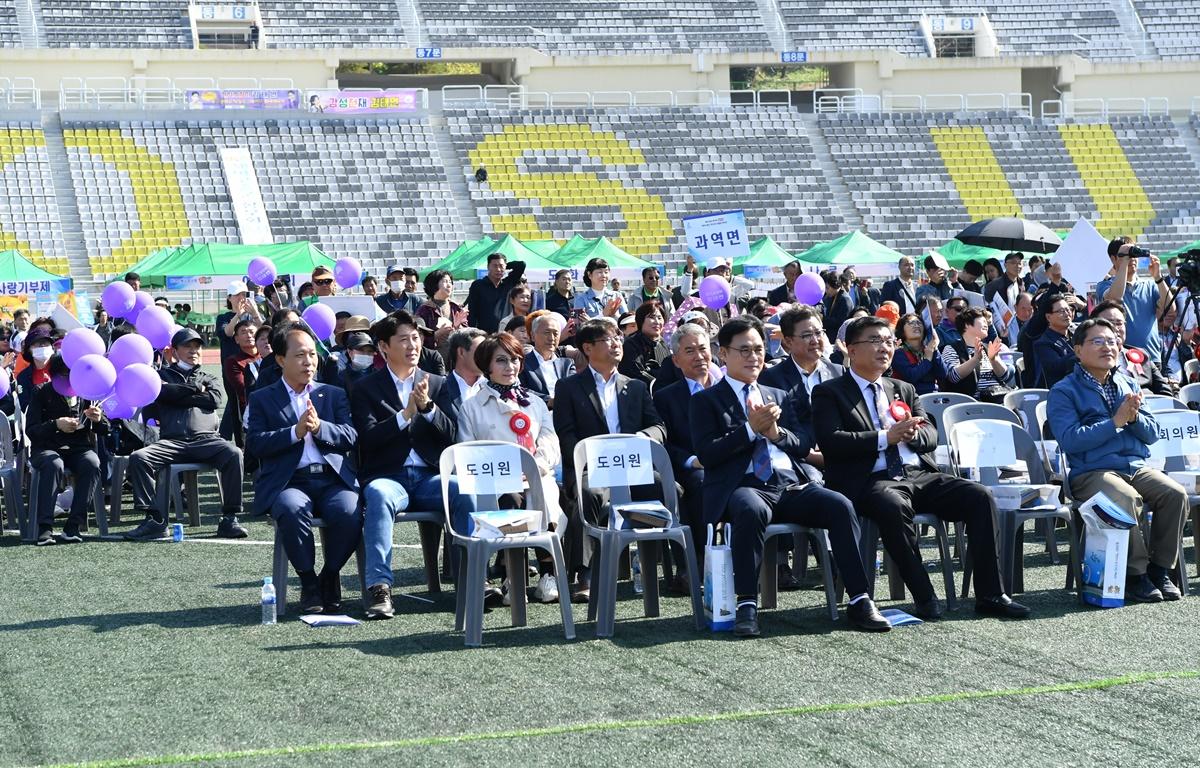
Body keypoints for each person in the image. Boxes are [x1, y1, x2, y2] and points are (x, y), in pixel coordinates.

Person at [812, 316, 1030, 619]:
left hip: (918, 473)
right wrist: (885, 438)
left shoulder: (903, 388)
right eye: (875, 341)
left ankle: (991, 594)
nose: (884, 348)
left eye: (889, 341)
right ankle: (925, 596)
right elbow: (831, 441)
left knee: (979, 496)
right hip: (871, 480)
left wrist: (913, 434)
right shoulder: (830, 392)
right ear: (850, 348)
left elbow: (931, 434)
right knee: (891, 505)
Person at [690, 316, 889, 636]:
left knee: (839, 504)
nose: (754, 357)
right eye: (744, 350)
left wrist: (775, 433)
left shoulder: (777, 395)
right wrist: (749, 431)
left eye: (758, 349)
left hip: (790, 484)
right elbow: (708, 453)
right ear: (723, 354)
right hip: (744, 485)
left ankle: (859, 599)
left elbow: (802, 443)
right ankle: (746, 604)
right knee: (749, 508)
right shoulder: (705, 400)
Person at [1047, 318, 1187, 603]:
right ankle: (1135, 575)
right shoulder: (1064, 390)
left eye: (1111, 341)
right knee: (1126, 498)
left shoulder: (1128, 382)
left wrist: (1133, 418)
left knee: (1175, 494)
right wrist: (1115, 422)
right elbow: (1071, 440)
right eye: (1097, 341)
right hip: (1091, 471)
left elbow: (1152, 434)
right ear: (1078, 350)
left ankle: (1159, 571)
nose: (1107, 347)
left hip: (1134, 466)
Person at [349, 312, 470, 620]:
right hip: (389, 476)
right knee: (377, 495)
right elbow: (367, 439)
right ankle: (380, 588)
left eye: (415, 338)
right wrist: (405, 415)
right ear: (384, 347)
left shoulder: (438, 384)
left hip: (430, 475)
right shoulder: (365, 388)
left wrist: (428, 408)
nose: (412, 345)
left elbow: (453, 435)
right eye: (403, 339)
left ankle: (471, 579)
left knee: (464, 491)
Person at [247, 322, 361, 614]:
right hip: (290, 481)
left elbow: (351, 436)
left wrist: (321, 428)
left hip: (332, 479)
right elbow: (255, 445)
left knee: (351, 511)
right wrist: (293, 433)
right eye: (299, 355)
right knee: (291, 508)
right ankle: (308, 582)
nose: (308, 361)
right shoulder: (263, 398)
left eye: (312, 354)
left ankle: (329, 575)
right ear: (281, 359)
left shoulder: (333, 394)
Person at [552, 318, 666, 601]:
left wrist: (642, 437)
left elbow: (659, 427)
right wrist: (595, 456)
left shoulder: (636, 387)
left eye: (618, 338)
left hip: (633, 468)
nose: (617, 344)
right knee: (587, 494)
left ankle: (682, 570)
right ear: (588, 348)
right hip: (592, 467)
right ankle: (585, 574)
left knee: (672, 489)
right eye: (609, 339)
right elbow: (566, 436)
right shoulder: (568, 387)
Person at [458, 332, 565, 604]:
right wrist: (503, 473)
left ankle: (547, 575)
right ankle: (512, 578)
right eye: (502, 361)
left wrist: (534, 467)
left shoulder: (535, 402)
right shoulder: (471, 407)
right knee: (512, 499)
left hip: (537, 477)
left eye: (515, 360)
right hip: (493, 483)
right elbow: (466, 450)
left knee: (549, 500)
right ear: (487, 366)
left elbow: (550, 442)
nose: (510, 367)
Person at [124, 328, 247, 541]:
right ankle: (154, 519)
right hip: (172, 441)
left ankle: (229, 518)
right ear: (174, 350)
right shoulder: (160, 376)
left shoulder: (209, 376)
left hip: (206, 440)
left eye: (197, 346)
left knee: (234, 453)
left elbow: (214, 400)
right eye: (187, 346)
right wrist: (195, 389)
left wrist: (177, 392)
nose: (193, 351)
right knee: (139, 458)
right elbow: (161, 394)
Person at [652, 322, 716, 592]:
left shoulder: (727, 387)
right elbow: (669, 443)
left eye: (703, 349)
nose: (699, 356)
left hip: (731, 462)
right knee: (697, 485)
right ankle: (694, 565)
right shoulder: (666, 397)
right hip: (691, 468)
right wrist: (692, 460)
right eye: (690, 351)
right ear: (676, 360)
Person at [26, 354, 107, 545]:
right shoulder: (40, 392)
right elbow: (31, 431)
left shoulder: (86, 394)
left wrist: (99, 419)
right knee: (54, 464)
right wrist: (55, 424)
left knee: (92, 463)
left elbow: (105, 429)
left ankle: (73, 525)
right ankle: (44, 527)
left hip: (78, 449)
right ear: (53, 376)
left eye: (73, 374)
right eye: (65, 375)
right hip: (47, 449)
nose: (70, 380)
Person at [761, 306, 843, 423]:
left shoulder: (838, 372)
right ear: (788, 341)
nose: (815, 340)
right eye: (807, 335)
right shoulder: (771, 379)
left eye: (818, 333)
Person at [1097, 237, 1170, 366]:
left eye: (1134, 254)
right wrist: (1124, 262)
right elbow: (1114, 299)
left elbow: (1170, 309)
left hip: (1152, 358)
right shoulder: (1104, 285)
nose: (1132, 259)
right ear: (1113, 259)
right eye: (1127, 255)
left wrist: (1158, 277)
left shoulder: (1150, 285)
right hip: (1123, 359)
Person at [1090, 300, 1177, 396]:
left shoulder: (1141, 354)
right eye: (1109, 323)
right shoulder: (1089, 361)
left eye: (1119, 323)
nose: (1115, 328)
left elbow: (1165, 391)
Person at [940, 307, 1014, 402]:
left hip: (997, 399)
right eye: (982, 321)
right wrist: (975, 360)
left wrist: (993, 359)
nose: (986, 324)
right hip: (971, 405)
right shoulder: (951, 348)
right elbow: (953, 376)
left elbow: (1005, 376)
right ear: (967, 325)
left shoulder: (987, 348)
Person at [433, 327, 487, 426]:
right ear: (461, 352)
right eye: (481, 351)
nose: (486, 356)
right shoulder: (439, 389)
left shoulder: (494, 386)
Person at [520, 312, 575, 407]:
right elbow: (520, 390)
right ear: (532, 336)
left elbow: (574, 389)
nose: (552, 338)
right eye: (547, 333)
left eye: (556, 333)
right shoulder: (522, 363)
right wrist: (549, 401)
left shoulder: (567, 364)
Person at [220, 318, 259, 446]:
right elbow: (243, 389)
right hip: (246, 416)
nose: (249, 335)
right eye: (243, 332)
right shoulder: (233, 361)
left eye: (252, 332)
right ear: (236, 339)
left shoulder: (267, 357)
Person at [467, 253, 526, 333]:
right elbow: (472, 312)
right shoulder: (478, 285)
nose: (498, 269)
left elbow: (521, 265)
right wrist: (473, 332)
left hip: (505, 333)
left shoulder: (508, 284)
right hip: (484, 333)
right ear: (488, 267)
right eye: (495, 266)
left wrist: (505, 265)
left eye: (501, 266)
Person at [414, 268, 468, 356]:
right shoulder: (424, 310)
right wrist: (436, 335)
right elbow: (418, 337)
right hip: (433, 359)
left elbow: (466, 334)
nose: (449, 285)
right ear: (434, 285)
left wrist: (458, 327)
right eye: (445, 282)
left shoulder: (456, 308)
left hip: (456, 358)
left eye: (450, 282)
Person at [889, 313, 946, 396]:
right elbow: (911, 376)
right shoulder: (898, 353)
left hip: (934, 396)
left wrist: (935, 348)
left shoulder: (928, 349)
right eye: (911, 323)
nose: (916, 325)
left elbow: (943, 374)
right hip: (911, 397)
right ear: (902, 330)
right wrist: (927, 359)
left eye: (919, 323)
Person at [618, 302, 669, 386]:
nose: (657, 322)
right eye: (651, 317)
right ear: (641, 320)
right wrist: (658, 384)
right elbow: (634, 373)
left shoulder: (663, 343)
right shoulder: (631, 345)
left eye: (660, 318)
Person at [1032, 295, 1076, 389]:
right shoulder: (1043, 343)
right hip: (1062, 389)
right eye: (1061, 311)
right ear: (1048, 317)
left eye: (1068, 310)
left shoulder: (1076, 333)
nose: (1066, 314)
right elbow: (1057, 367)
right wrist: (1082, 351)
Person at [820, 270, 853, 344]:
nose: (826, 291)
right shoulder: (829, 297)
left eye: (827, 288)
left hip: (840, 340)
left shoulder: (845, 299)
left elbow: (841, 322)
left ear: (835, 285)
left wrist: (823, 318)